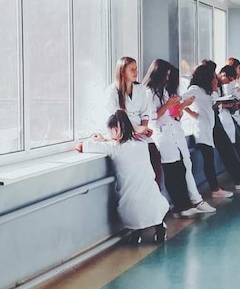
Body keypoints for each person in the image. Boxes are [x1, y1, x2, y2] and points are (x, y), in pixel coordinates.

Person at [77, 111, 169, 244]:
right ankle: (160, 229)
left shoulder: (114, 149)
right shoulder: (142, 144)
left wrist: (99, 140)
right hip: (155, 203)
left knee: (134, 208)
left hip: (130, 208)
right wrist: (108, 140)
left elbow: (79, 146)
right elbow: (125, 142)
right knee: (152, 201)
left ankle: (135, 233)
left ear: (115, 130)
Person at [142, 59, 215, 217]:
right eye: (166, 75)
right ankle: (179, 206)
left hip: (173, 132)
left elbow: (171, 114)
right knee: (171, 171)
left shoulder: (164, 91)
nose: (167, 79)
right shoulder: (148, 93)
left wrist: (179, 109)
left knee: (180, 168)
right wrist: (169, 106)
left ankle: (185, 204)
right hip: (162, 136)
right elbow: (152, 118)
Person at [104, 56, 162, 188]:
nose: (136, 72)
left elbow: (145, 112)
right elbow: (115, 120)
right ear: (122, 71)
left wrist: (144, 129)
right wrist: (135, 130)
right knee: (138, 166)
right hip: (123, 134)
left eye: (136, 69)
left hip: (141, 133)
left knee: (155, 157)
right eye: (132, 69)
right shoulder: (111, 92)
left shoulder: (140, 89)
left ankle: (155, 196)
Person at [181, 64, 234, 199]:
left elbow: (213, 105)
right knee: (208, 160)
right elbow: (180, 101)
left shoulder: (208, 91)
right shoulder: (195, 89)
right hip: (201, 130)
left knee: (209, 159)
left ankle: (215, 188)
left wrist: (215, 88)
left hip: (208, 128)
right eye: (212, 78)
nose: (215, 80)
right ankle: (215, 189)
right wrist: (193, 114)